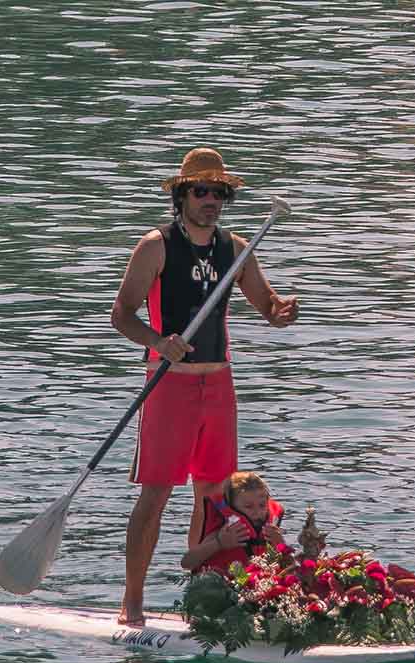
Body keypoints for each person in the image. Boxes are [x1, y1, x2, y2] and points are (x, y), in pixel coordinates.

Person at [111, 147, 300, 626]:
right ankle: (132, 599)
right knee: (156, 495)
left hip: (218, 386)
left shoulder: (235, 249)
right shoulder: (156, 246)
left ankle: (204, 597)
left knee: (214, 495)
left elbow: (266, 304)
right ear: (181, 196)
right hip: (169, 386)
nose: (210, 199)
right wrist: (158, 342)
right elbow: (122, 315)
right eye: (201, 190)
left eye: (218, 192)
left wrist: (281, 314)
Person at [181, 471, 286, 574]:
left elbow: (290, 565)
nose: (257, 512)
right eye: (248, 506)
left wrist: (280, 544)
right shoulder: (225, 532)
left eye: (262, 505)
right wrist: (219, 543)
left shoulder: (271, 531)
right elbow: (186, 563)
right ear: (232, 507)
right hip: (219, 584)